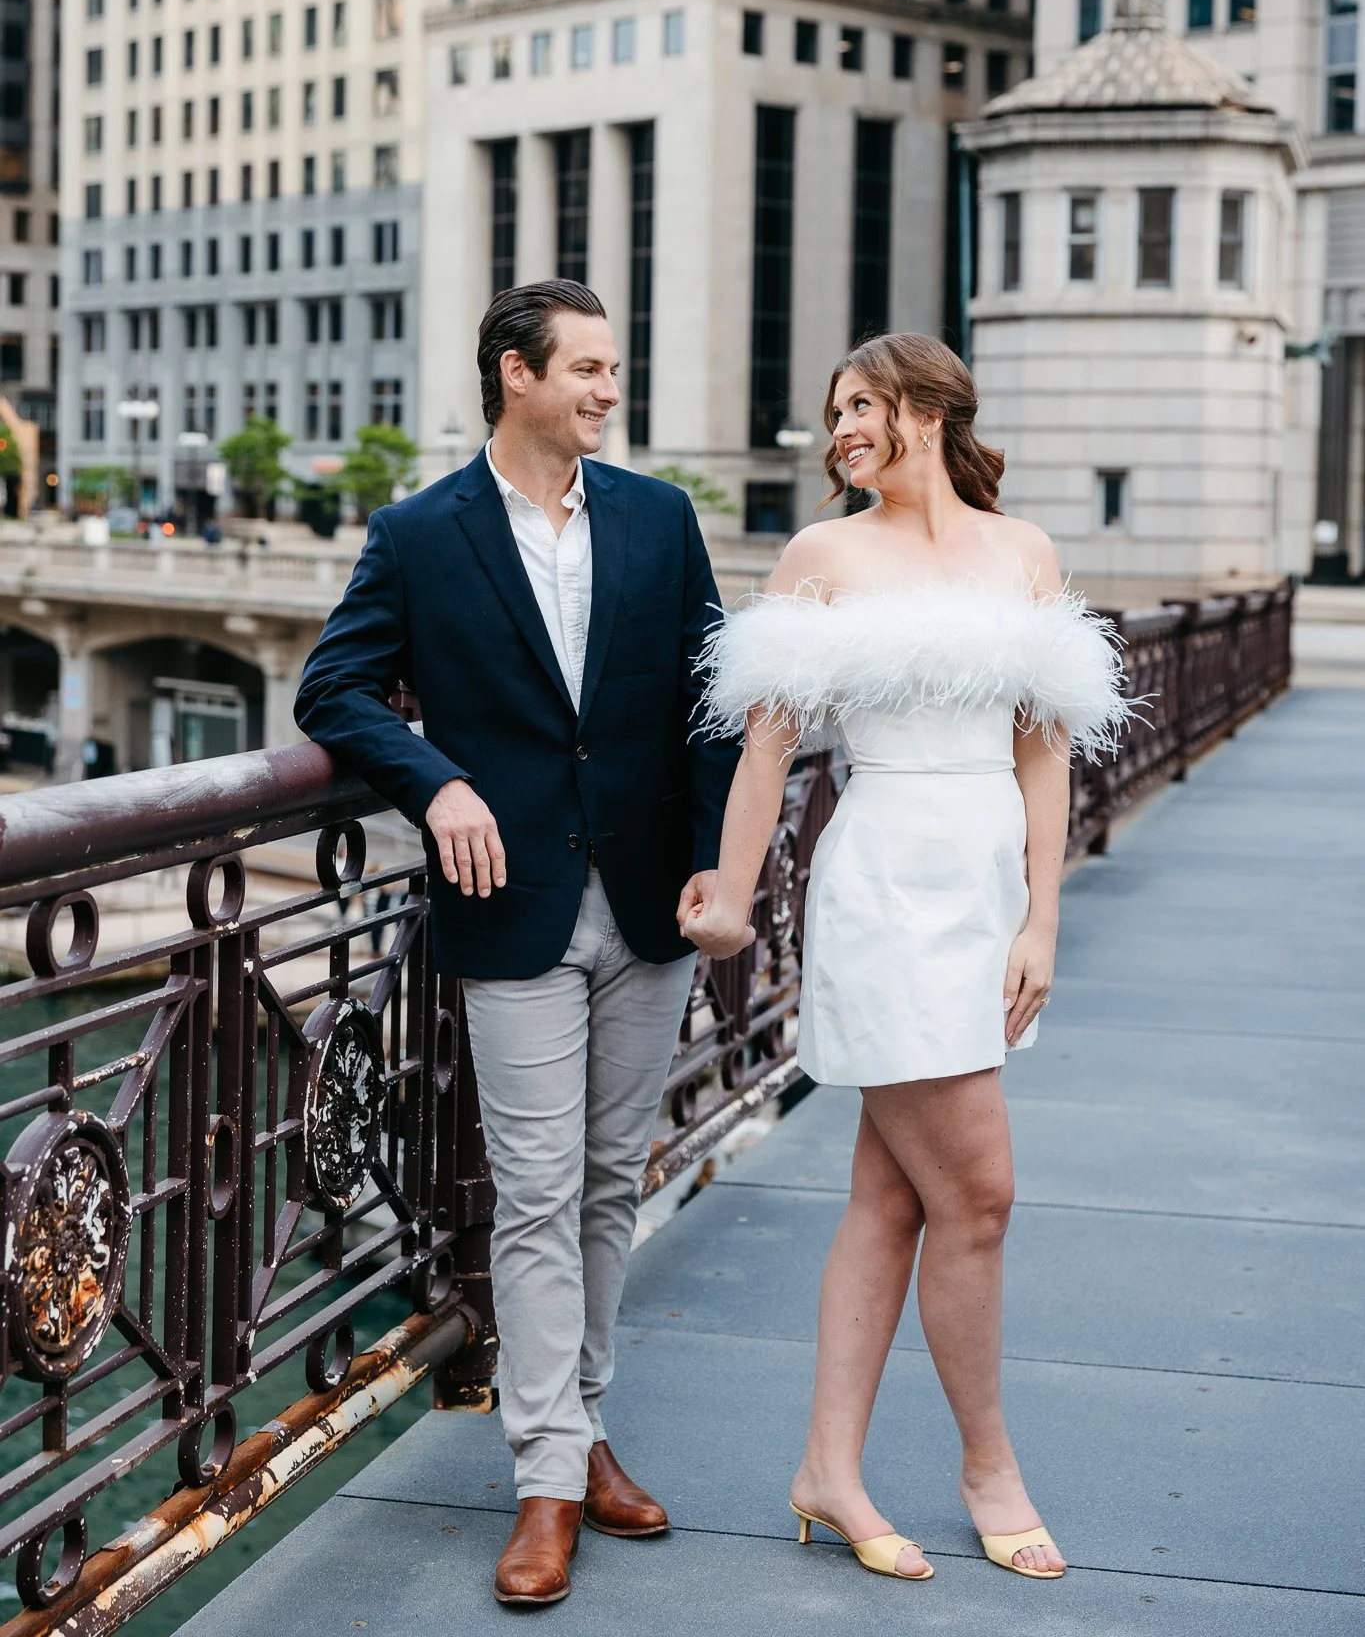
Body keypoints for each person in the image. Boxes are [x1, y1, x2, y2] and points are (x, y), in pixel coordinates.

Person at [295, 282, 738, 1608]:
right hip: (511, 914)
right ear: (515, 373)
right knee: (537, 1193)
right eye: (590, 368)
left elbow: (713, 700)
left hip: (653, 901)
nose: (610, 389)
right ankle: (547, 1476)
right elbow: (335, 686)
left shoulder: (660, 519)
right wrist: (432, 782)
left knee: (610, 1185)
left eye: (615, 368)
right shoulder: (420, 532)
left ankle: (583, 1423)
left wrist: (721, 856)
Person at [684, 332, 1128, 1586]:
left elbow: (1045, 749)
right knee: (979, 1195)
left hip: (985, 891)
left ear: (927, 409)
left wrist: (1043, 915)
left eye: (861, 406)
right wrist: (728, 894)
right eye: (833, 414)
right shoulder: (822, 557)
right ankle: (989, 1464)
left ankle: (830, 1464)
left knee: (894, 1195)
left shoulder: (1024, 549)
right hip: (880, 888)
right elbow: (765, 747)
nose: (842, 432)